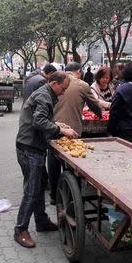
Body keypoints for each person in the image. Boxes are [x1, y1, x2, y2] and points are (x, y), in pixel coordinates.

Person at [14, 71, 78, 248]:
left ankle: (41, 222)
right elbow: (39, 121)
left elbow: (41, 119)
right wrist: (61, 131)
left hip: (33, 146)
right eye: (63, 89)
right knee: (32, 191)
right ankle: (20, 230)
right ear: (54, 83)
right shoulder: (44, 95)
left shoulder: (45, 93)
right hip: (30, 149)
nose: (63, 93)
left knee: (40, 186)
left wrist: (57, 125)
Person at [48, 62, 102, 205]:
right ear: (78, 72)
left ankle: (54, 195)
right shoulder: (82, 85)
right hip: (72, 130)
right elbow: (94, 105)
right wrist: (100, 115)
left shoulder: (53, 84)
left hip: (52, 128)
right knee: (73, 164)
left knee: (53, 162)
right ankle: (72, 196)